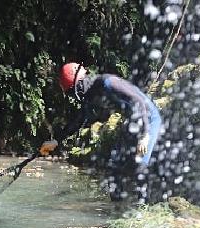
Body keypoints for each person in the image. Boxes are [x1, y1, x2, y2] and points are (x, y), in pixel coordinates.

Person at [39, 62, 162, 202]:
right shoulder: (90, 94)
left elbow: (139, 101)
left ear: (79, 84)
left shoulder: (108, 82)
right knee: (113, 166)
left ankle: (144, 209)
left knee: (140, 163)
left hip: (149, 119)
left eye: (72, 92)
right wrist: (55, 141)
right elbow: (78, 121)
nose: (73, 96)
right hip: (133, 122)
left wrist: (145, 135)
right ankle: (117, 210)